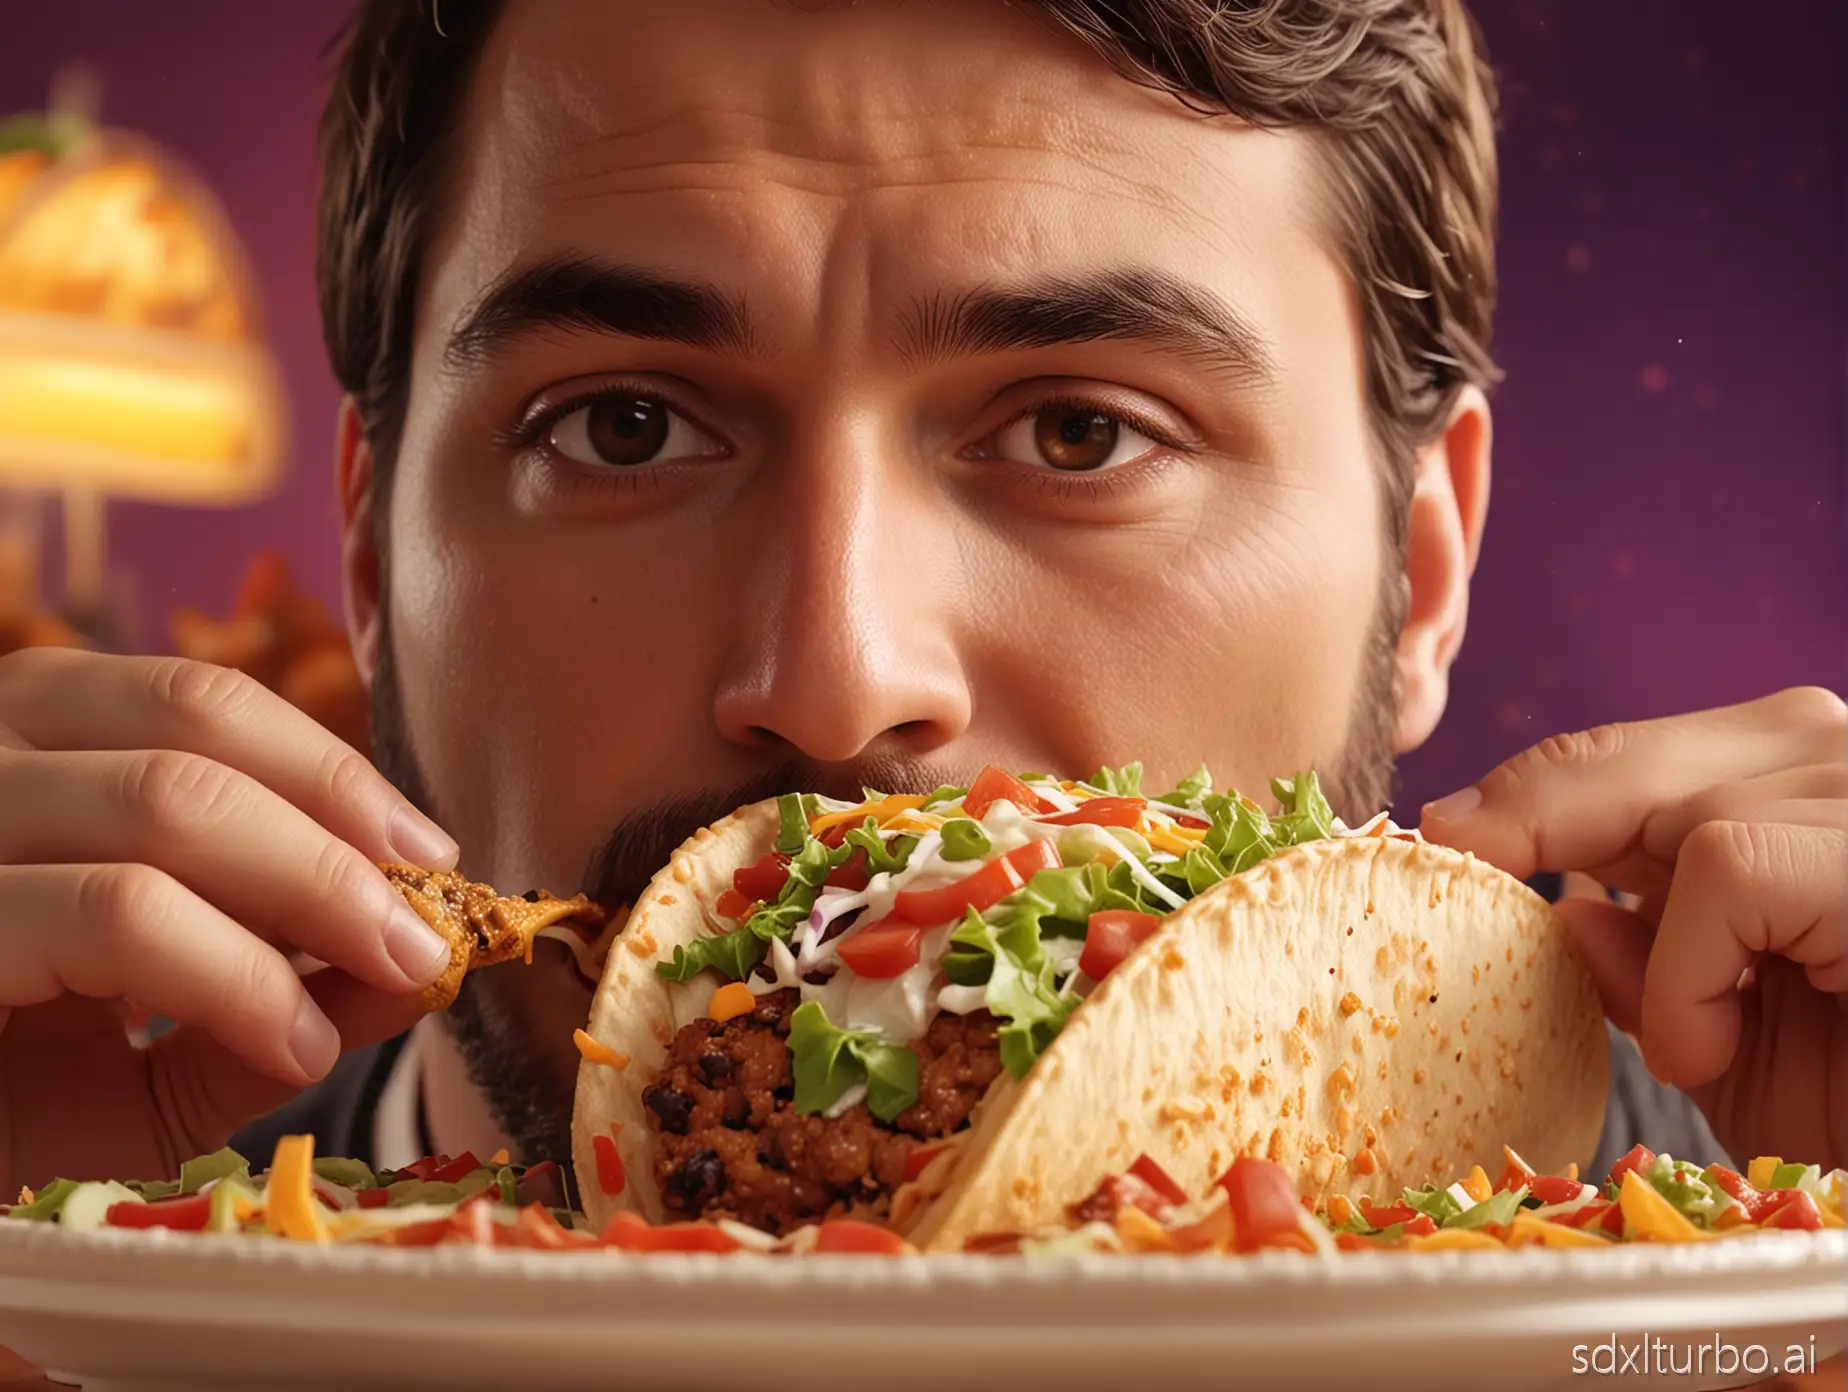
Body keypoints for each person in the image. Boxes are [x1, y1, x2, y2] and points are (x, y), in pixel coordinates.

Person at [0, 0, 1839, 1203]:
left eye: (1081, 429)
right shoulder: (99, 1270)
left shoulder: (1727, 1281)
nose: (834, 680)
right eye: (624, 424)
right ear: (371, 558)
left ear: (1421, 572)